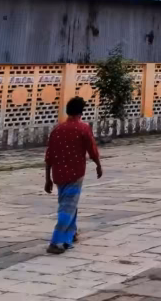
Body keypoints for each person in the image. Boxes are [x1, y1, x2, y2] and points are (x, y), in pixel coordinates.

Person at [44, 96, 102, 254]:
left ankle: (71, 233)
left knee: (68, 203)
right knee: (67, 207)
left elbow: (49, 155)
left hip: (58, 174)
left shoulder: (57, 129)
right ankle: (56, 241)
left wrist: (47, 178)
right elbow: (92, 149)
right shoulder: (83, 128)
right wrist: (98, 165)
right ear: (81, 112)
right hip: (75, 173)